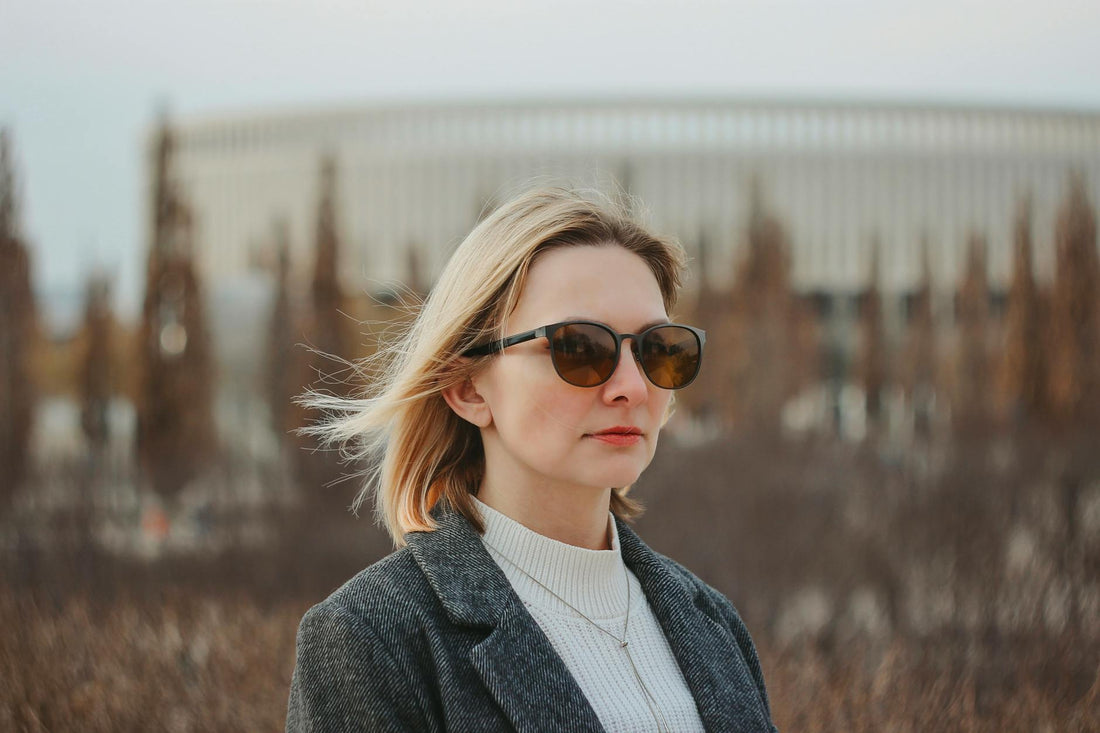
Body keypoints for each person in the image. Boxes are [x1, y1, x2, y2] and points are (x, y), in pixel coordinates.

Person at [285, 187, 778, 732]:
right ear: (467, 387)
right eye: (581, 348)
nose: (632, 387)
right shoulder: (371, 639)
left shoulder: (712, 623)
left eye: (658, 349)